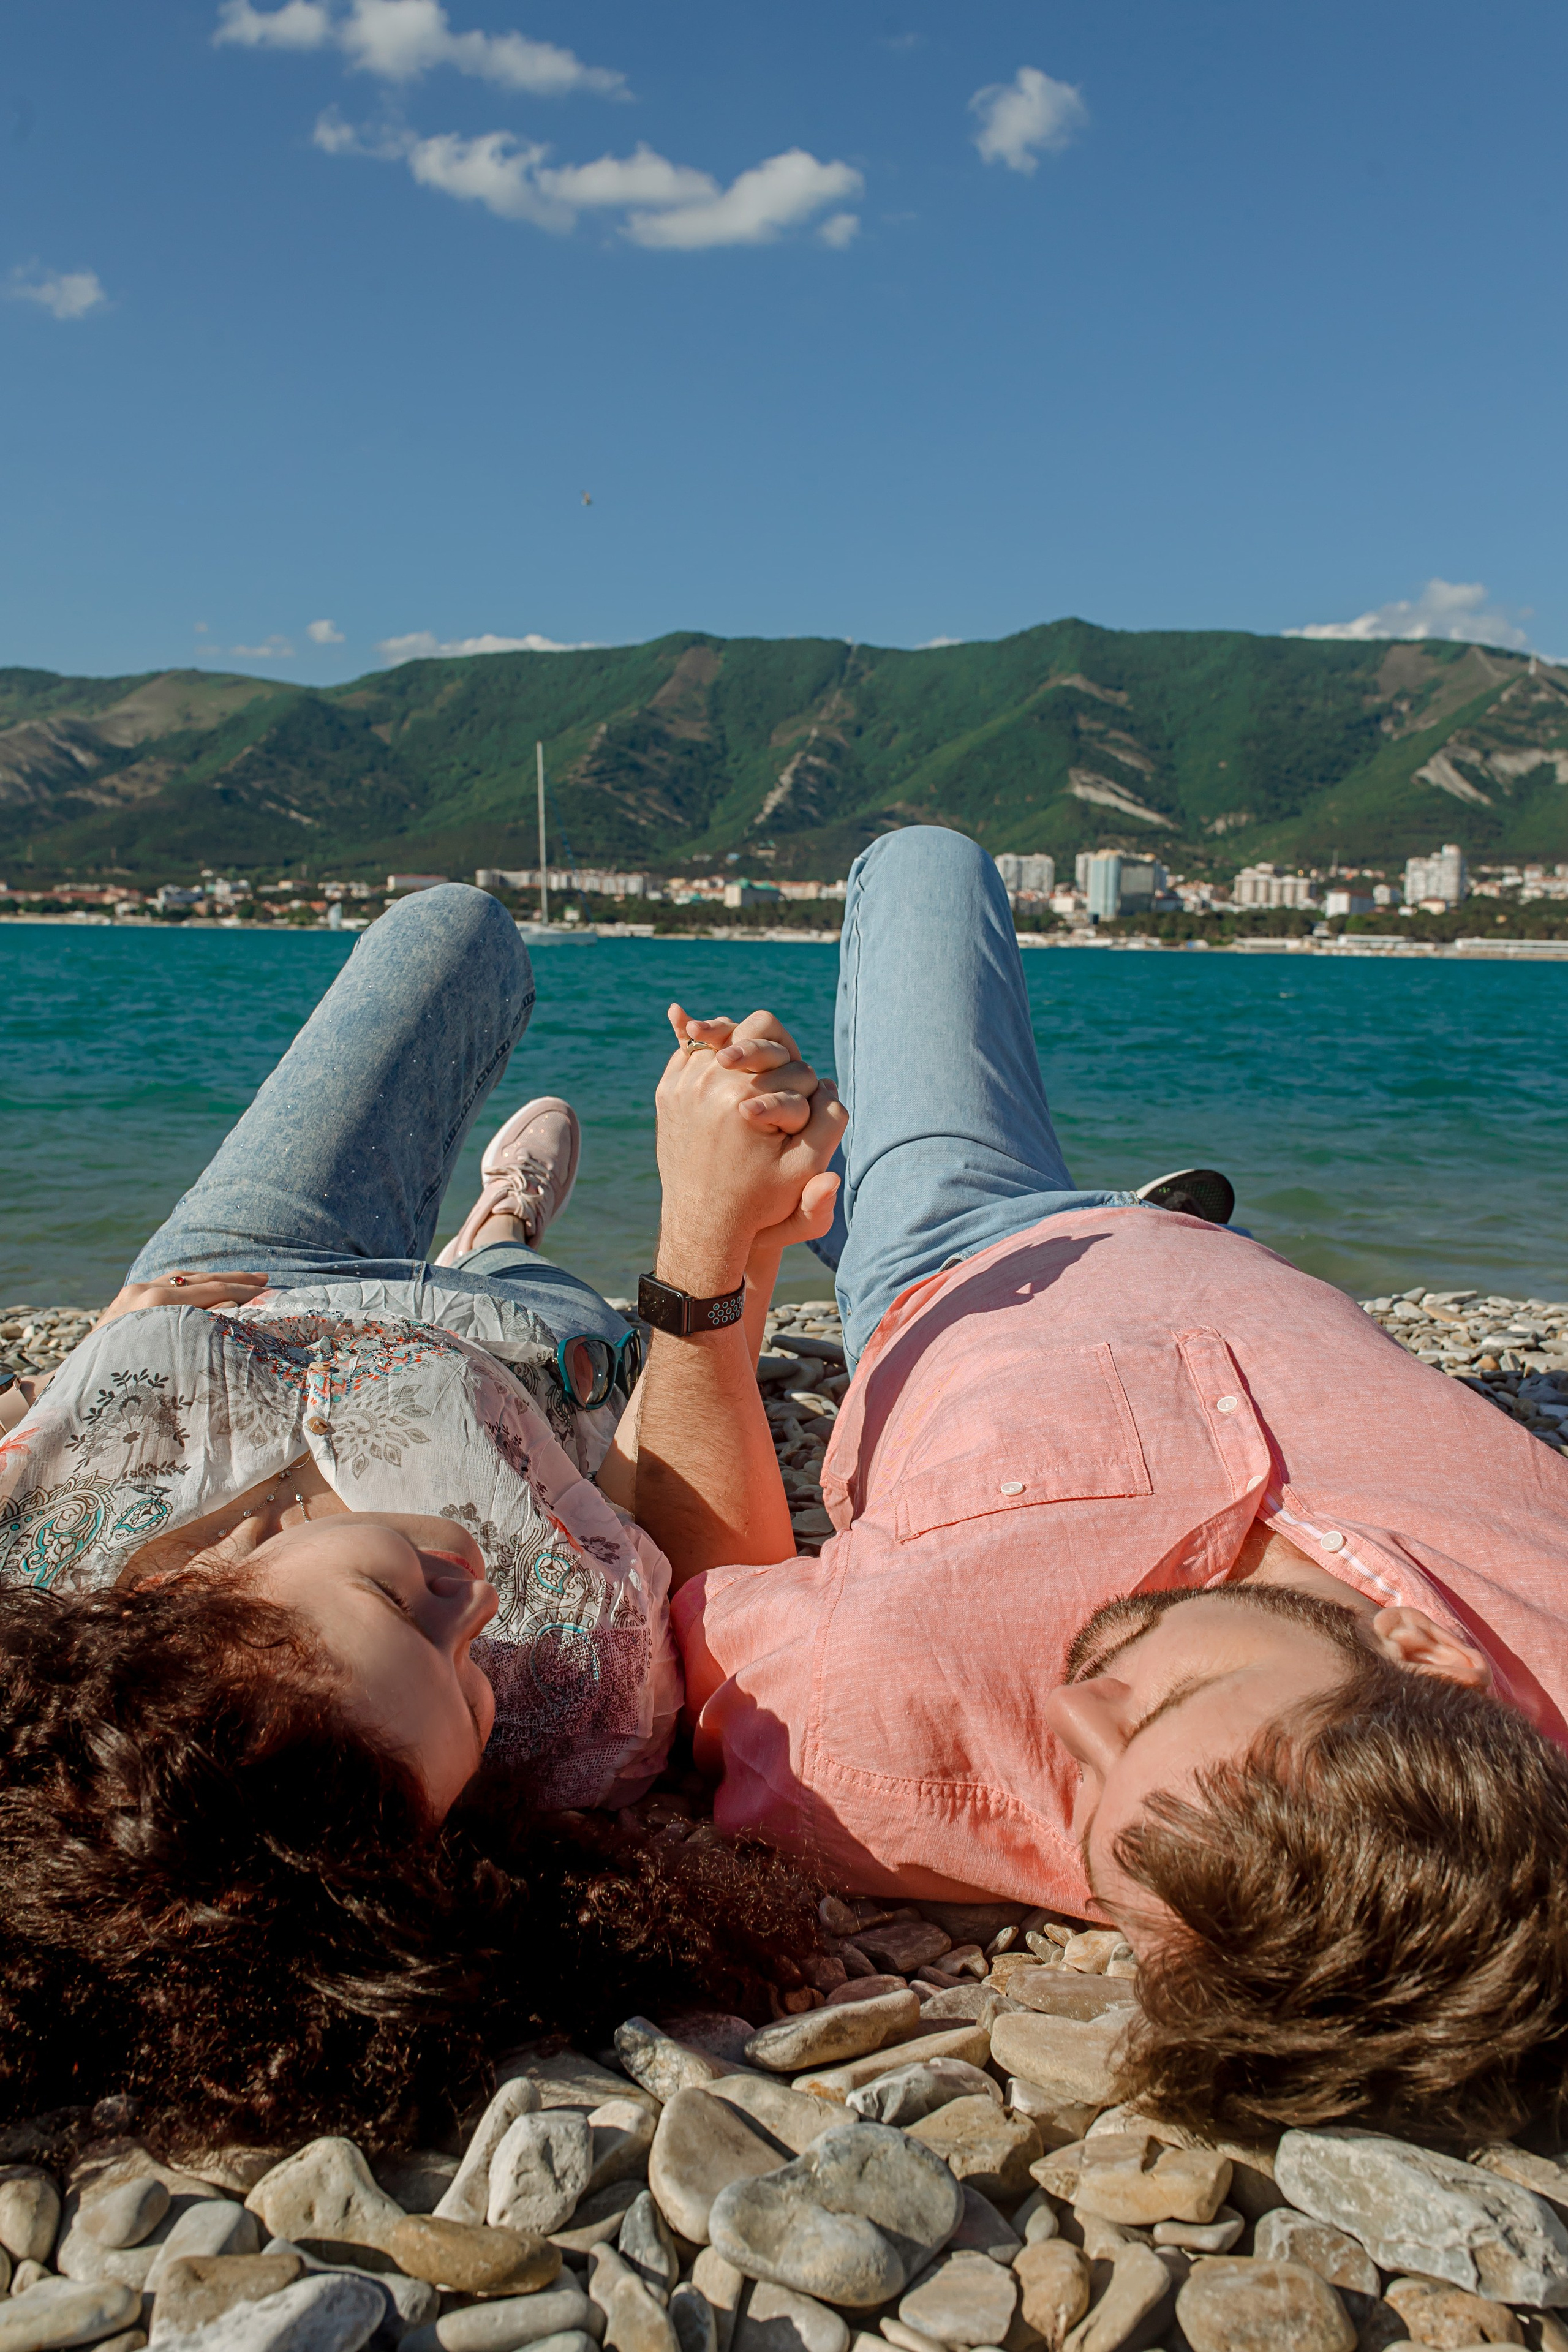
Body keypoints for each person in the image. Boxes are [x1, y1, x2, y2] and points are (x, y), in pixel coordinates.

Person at [635, 826, 1568, 2148]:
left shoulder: (875, 1737)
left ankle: (826, 1196)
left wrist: (711, 1235)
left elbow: (700, 1576)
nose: (1073, 1709)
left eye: (1089, 1804)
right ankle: (1136, 1209)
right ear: (1422, 1647)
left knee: (921, 865)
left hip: (962, 1245)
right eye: (1168, 1703)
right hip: (1208, 1262)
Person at [0, 883, 834, 2148]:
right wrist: (713, 1246)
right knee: (535, 1298)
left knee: (451, 931)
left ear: (177, 1611)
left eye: (398, 1605)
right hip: (524, 1359)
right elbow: (711, 1541)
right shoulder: (571, 1715)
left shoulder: (37, 1612)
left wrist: (82, 1375)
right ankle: (499, 1239)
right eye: (470, 1687)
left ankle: (484, 1236)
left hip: (245, 1265)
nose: (476, 1606)